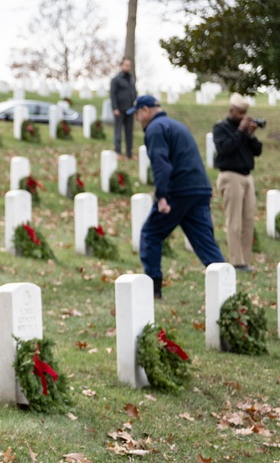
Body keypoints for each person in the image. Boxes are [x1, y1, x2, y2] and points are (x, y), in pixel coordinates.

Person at [130, 95, 225, 298]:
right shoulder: (176, 126)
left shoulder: (155, 129)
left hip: (178, 191)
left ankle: (153, 288)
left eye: (137, 114)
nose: (137, 120)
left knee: (150, 234)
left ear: (145, 110)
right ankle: (227, 287)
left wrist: (162, 196)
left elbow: (161, 163)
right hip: (199, 189)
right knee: (205, 243)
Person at [213, 93, 263, 271]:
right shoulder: (221, 128)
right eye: (240, 112)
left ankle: (245, 259)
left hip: (247, 176)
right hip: (230, 176)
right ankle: (236, 260)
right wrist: (240, 131)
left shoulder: (244, 131)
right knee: (234, 221)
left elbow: (257, 151)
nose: (243, 116)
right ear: (232, 110)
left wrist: (250, 135)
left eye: (245, 113)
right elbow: (225, 148)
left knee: (248, 220)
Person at [110, 58, 137, 158]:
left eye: (129, 65)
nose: (127, 67)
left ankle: (129, 153)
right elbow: (112, 94)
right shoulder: (116, 79)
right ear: (121, 66)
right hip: (119, 109)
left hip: (130, 109)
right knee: (118, 131)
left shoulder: (131, 79)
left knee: (129, 132)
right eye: (125, 65)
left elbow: (134, 92)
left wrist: (136, 106)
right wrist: (115, 108)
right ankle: (118, 152)